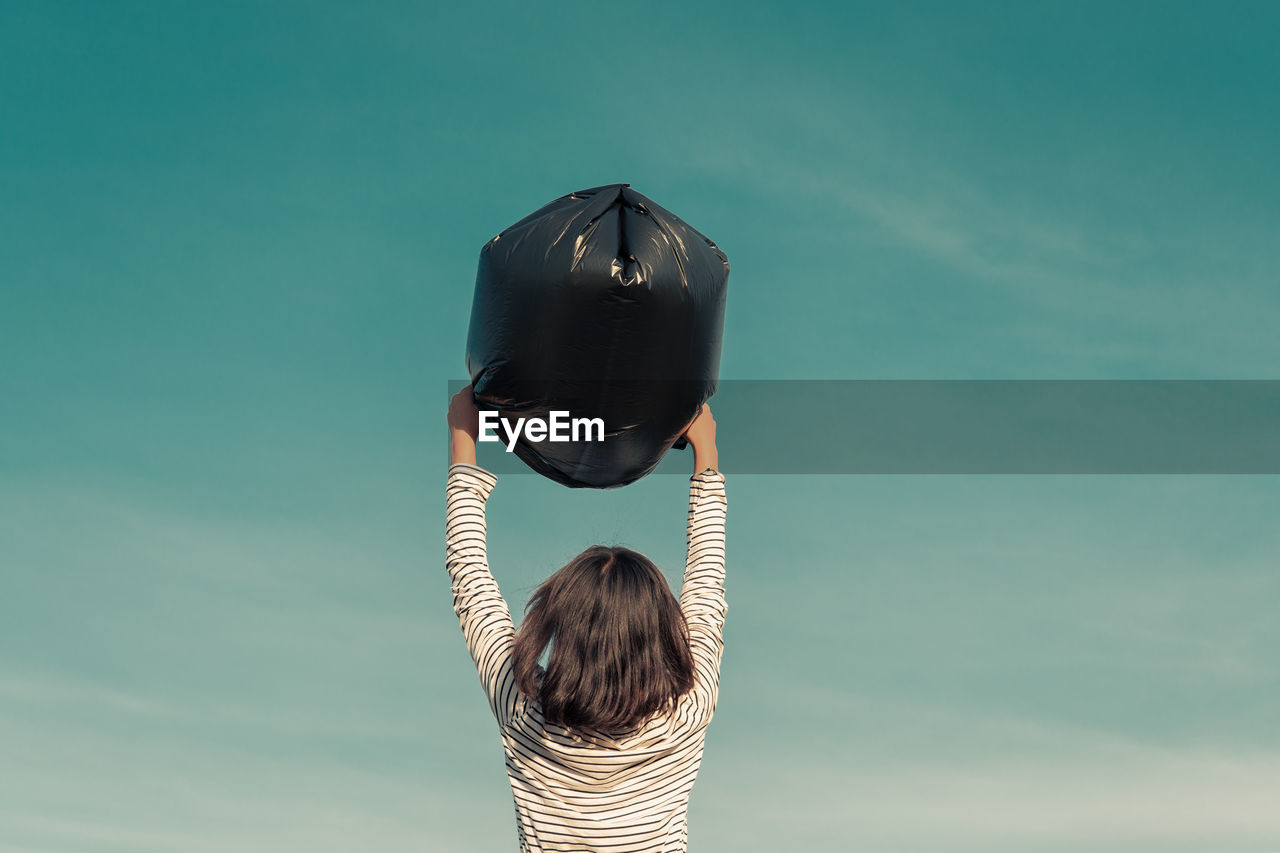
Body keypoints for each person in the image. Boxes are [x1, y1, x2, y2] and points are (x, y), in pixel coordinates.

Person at [445, 386, 727, 853]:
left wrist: (464, 442)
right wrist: (707, 454)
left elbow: (469, 577)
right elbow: (707, 585)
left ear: (559, 627)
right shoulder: (686, 712)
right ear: (658, 632)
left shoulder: (522, 708)